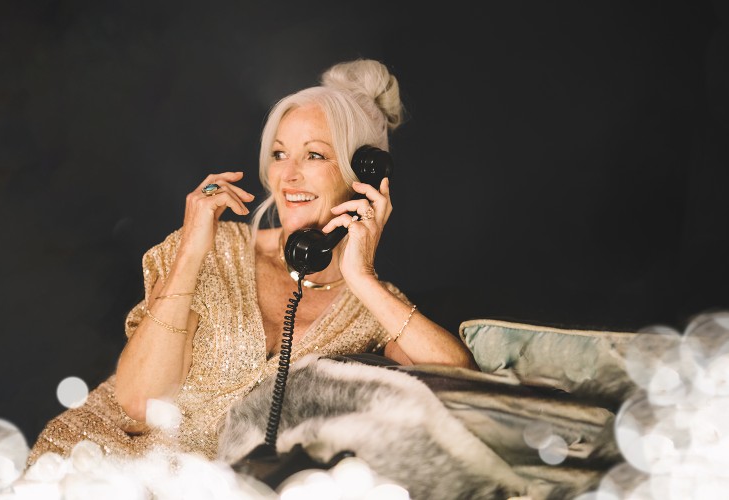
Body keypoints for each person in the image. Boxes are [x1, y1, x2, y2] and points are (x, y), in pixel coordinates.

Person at [26, 58, 477, 467]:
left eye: (314, 155)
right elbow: (140, 402)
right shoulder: (212, 247)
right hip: (91, 467)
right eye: (280, 154)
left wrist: (361, 277)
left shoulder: (373, 307)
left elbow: (463, 382)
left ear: (364, 177)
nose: (288, 175)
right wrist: (190, 254)